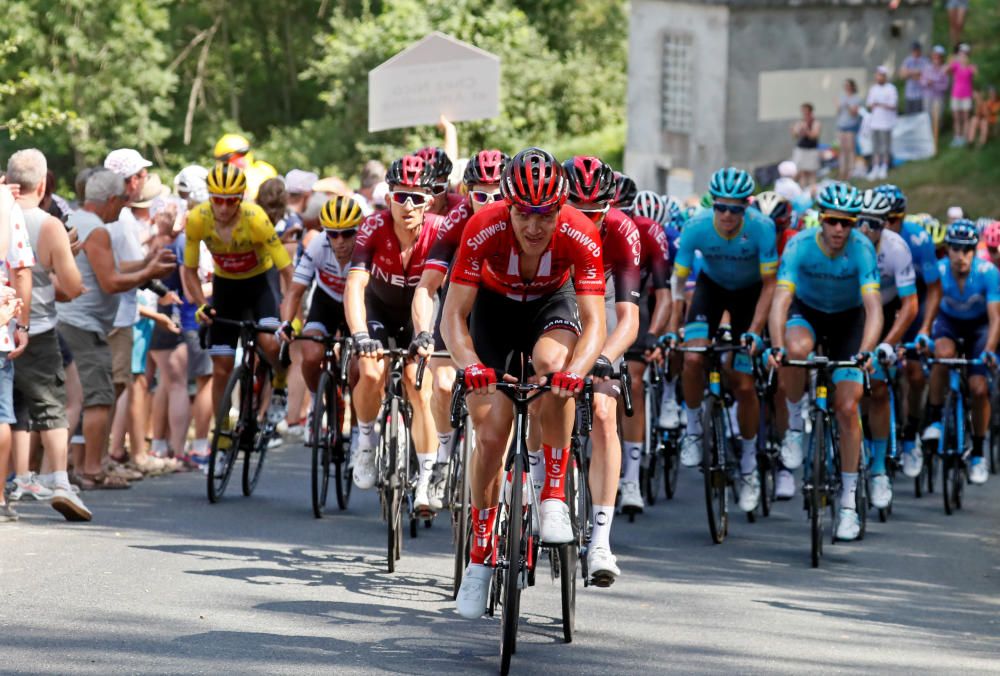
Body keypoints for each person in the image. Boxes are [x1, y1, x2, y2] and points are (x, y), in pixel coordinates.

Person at [444, 148, 606, 618]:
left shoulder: (580, 231)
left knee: (554, 369)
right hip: (493, 311)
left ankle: (553, 492)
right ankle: (478, 559)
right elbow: (454, 315)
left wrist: (577, 372)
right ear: (508, 206)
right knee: (492, 436)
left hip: (549, 306)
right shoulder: (484, 226)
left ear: (561, 209)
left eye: (546, 214)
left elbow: (595, 322)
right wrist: (469, 363)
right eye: (524, 214)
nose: (535, 227)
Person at [768, 183, 883, 541]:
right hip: (808, 314)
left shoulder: (862, 249)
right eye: (833, 221)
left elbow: (874, 309)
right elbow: (780, 301)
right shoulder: (800, 245)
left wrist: (866, 350)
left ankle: (848, 503)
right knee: (795, 349)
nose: (839, 230)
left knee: (848, 407)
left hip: (849, 321)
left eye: (846, 223)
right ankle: (794, 423)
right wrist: (775, 346)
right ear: (821, 219)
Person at [666, 168, 777, 516]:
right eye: (721, 207)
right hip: (710, 292)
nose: (728, 216)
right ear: (712, 205)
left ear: (747, 207)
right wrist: (674, 329)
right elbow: (677, 284)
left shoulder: (762, 228)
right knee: (694, 357)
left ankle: (747, 467)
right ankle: (694, 428)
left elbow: (771, 285)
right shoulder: (696, 226)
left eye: (736, 209)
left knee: (744, 384)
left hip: (749, 296)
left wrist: (756, 331)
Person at [57, 169, 176, 490]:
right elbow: (111, 282)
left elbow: (111, 267)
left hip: (75, 322)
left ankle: (71, 468)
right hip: (82, 325)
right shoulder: (96, 230)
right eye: (122, 201)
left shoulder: (80, 222)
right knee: (98, 397)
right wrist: (148, 272)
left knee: (82, 397)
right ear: (109, 200)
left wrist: (146, 263)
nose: (124, 207)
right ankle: (91, 469)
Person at [413, 149, 508, 513]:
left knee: (508, 399)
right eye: (480, 194)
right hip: (460, 307)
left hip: (502, 312)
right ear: (467, 193)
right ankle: (442, 454)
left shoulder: (524, 222)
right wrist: (423, 330)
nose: (489, 203)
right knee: (440, 383)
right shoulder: (456, 219)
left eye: (498, 194)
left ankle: (516, 482)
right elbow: (427, 286)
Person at [344, 155, 445, 495]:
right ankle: (367, 443)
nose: (408, 205)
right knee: (371, 372)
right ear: (389, 199)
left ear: (429, 202)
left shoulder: (438, 231)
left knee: (419, 387)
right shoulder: (373, 227)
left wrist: (426, 334)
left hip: (420, 313)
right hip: (379, 309)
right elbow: (355, 286)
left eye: (417, 197)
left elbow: (430, 292)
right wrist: (359, 334)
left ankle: (427, 477)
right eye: (401, 196)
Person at [562, 155, 639, 583]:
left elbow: (627, 318)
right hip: (557, 291)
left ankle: (601, 543)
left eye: (596, 213)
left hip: (602, 296)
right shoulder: (545, 224)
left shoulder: (623, 231)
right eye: (579, 211)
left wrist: (605, 358)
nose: (587, 221)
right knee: (540, 385)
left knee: (605, 412)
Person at [6, 149, 89, 519]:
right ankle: (60, 480)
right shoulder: (47, 224)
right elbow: (71, 287)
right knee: (51, 405)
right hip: (34, 326)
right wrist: (65, 257)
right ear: (41, 185)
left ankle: (18, 480)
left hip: (2, 328)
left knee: (12, 409)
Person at [181, 163, 293, 432]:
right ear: (210, 197)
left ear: (240, 198)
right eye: (217, 200)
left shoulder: (255, 218)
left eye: (230, 201)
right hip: (226, 287)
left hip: (260, 283)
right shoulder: (197, 219)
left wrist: (290, 315)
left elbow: (287, 270)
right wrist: (201, 305)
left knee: (269, 341)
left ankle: (279, 378)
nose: (223, 207)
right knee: (221, 367)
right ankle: (222, 432)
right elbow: (189, 270)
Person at [921, 220, 998, 486]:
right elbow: (927, 307)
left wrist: (989, 350)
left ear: (974, 251)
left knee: (978, 389)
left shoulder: (988, 272)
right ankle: (934, 417)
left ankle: (978, 452)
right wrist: (923, 333)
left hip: (979, 328)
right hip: (948, 322)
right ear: (948, 250)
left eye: (967, 250)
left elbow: (996, 318)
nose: (961, 256)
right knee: (942, 355)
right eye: (955, 249)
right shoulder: (939, 270)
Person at [615, 179, 675, 515]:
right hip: (593, 298)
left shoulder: (648, 232)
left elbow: (665, 295)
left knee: (633, 383)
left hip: (633, 301)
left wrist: (653, 334)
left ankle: (632, 478)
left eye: (625, 210)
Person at [874, 184, 943, 477]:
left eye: (894, 221)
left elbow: (934, 288)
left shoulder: (918, 238)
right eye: (883, 220)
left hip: (914, 303)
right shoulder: (867, 236)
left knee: (914, 373)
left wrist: (926, 327)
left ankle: (910, 434)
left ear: (903, 218)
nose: (888, 226)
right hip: (881, 305)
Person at [857, 189, 917, 510]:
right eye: (860, 222)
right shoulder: (845, 245)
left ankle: (879, 467)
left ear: (888, 225)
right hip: (852, 310)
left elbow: (910, 306)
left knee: (878, 386)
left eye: (875, 224)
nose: (865, 230)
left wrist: (887, 344)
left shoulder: (897, 249)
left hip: (887, 307)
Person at [278, 195, 361, 412]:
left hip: (359, 306)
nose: (340, 241)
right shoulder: (317, 245)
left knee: (357, 370)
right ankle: (317, 402)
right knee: (311, 353)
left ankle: (357, 429)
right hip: (326, 303)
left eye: (347, 233)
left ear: (358, 230)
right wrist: (286, 323)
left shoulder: (366, 246)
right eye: (333, 234)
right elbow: (294, 292)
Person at [866, 66, 898, 181]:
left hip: (886, 123)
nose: (878, 77)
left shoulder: (891, 89)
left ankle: (884, 166)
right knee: (875, 147)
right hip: (875, 122)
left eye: (881, 75)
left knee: (885, 147)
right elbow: (869, 104)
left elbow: (893, 105)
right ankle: (875, 167)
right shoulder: (873, 89)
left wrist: (880, 104)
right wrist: (876, 104)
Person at [921, 45, 951, 152]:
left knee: (938, 119)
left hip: (938, 98)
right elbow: (923, 82)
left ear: (942, 57)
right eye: (935, 55)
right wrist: (928, 82)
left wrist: (933, 83)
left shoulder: (944, 69)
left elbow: (945, 86)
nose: (936, 58)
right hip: (928, 97)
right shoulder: (927, 68)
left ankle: (936, 141)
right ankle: (928, 140)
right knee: (927, 117)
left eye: (939, 56)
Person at [948, 44, 977, 147]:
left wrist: (972, 67)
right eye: (961, 53)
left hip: (967, 95)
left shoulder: (971, 67)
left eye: (965, 54)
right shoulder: (955, 65)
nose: (963, 56)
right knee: (956, 117)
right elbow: (947, 70)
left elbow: (976, 75)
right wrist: (954, 60)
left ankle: (964, 137)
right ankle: (957, 137)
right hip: (956, 95)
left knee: (965, 117)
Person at [836, 79, 863, 180]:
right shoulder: (842, 97)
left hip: (851, 126)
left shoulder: (856, 98)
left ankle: (851, 171)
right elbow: (838, 111)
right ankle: (842, 170)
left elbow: (854, 112)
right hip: (841, 125)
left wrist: (847, 105)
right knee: (842, 150)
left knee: (850, 149)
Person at [791, 103, 821, 188]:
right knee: (802, 172)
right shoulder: (800, 122)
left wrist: (806, 130)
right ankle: (802, 191)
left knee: (811, 173)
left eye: (805, 110)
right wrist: (794, 130)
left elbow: (814, 136)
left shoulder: (815, 123)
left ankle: (812, 192)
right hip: (801, 149)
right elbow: (795, 136)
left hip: (811, 150)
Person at [900, 42, 929, 114]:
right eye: (913, 50)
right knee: (909, 117)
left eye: (916, 50)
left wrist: (909, 73)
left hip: (920, 95)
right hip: (909, 95)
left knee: (918, 117)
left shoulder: (925, 61)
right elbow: (902, 75)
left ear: (920, 50)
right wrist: (916, 73)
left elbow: (925, 75)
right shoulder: (908, 60)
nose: (915, 52)